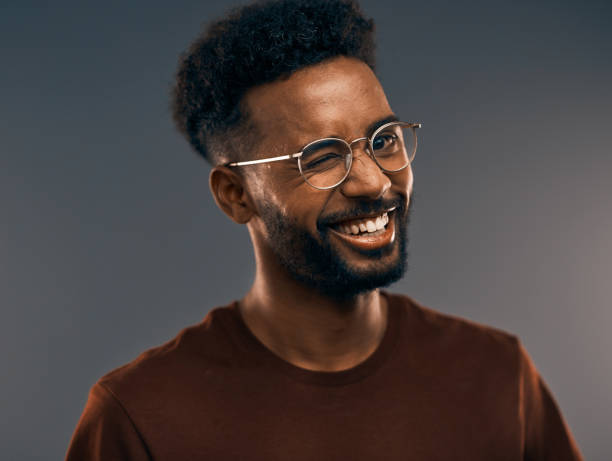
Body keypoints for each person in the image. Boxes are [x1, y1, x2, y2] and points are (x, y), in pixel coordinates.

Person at [65, 0, 583, 459]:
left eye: (383, 140)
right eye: (320, 157)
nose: (371, 180)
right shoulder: (140, 417)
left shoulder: (496, 375)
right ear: (236, 194)